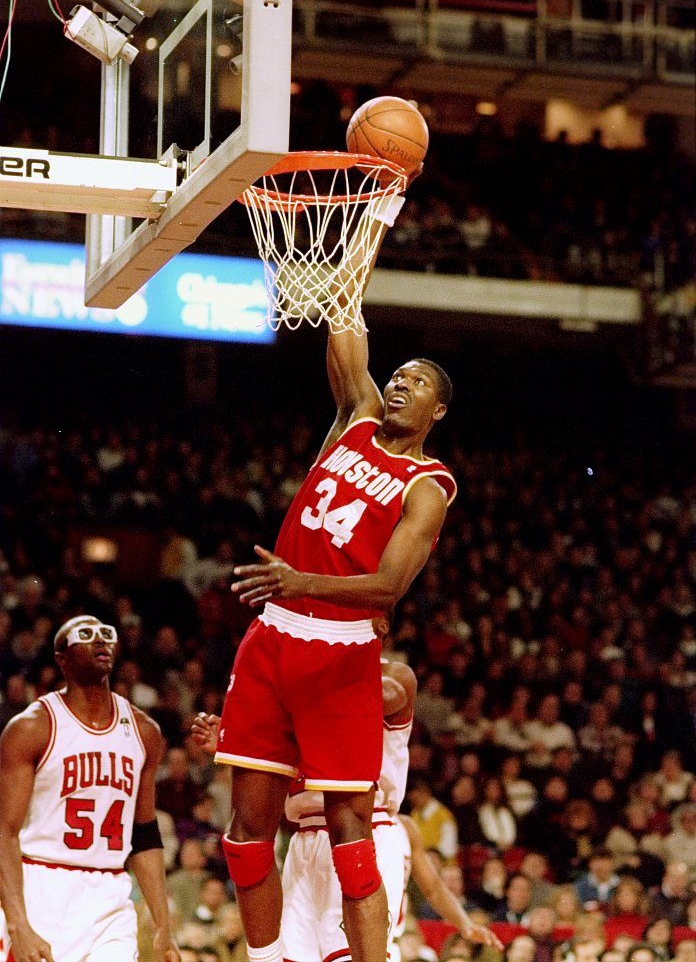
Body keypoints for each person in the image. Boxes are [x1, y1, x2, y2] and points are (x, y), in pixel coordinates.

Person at [214, 195, 457, 962]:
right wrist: (378, 209)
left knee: (352, 830)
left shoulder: (429, 485)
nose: (400, 385)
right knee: (245, 832)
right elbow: (345, 309)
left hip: (342, 647)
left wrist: (300, 581)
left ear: (438, 411)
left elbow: (387, 589)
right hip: (274, 635)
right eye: (399, 375)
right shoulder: (355, 416)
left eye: (417, 383)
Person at [192, 659, 501, 962]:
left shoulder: (392, 675)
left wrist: (260, 723)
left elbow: (382, 697)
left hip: (362, 828)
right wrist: (237, 743)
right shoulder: (298, 687)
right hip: (305, 836)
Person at [0, 614, 180, 962]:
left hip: (110, 891)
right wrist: (18, 922)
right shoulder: (32, 728)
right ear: (62, 659)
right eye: (85, 634)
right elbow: (4, 831)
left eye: (105, 633)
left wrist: (163, 925)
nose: (99, 639)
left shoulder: (144, 731)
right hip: (42, 886)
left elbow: (144, 833)